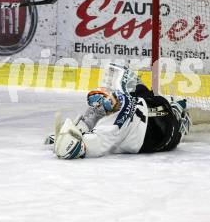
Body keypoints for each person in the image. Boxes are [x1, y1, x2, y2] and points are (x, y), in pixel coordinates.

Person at [47, 64, 192, 159]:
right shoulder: (111, 117)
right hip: (159, 131)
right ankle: (177, 115)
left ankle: (177, 113)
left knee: (152, 98)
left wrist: (75, 139)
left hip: (156, 121)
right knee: (161, 105)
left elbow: (93, 135)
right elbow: (96, 140)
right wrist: (70, 139)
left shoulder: (115, 106)